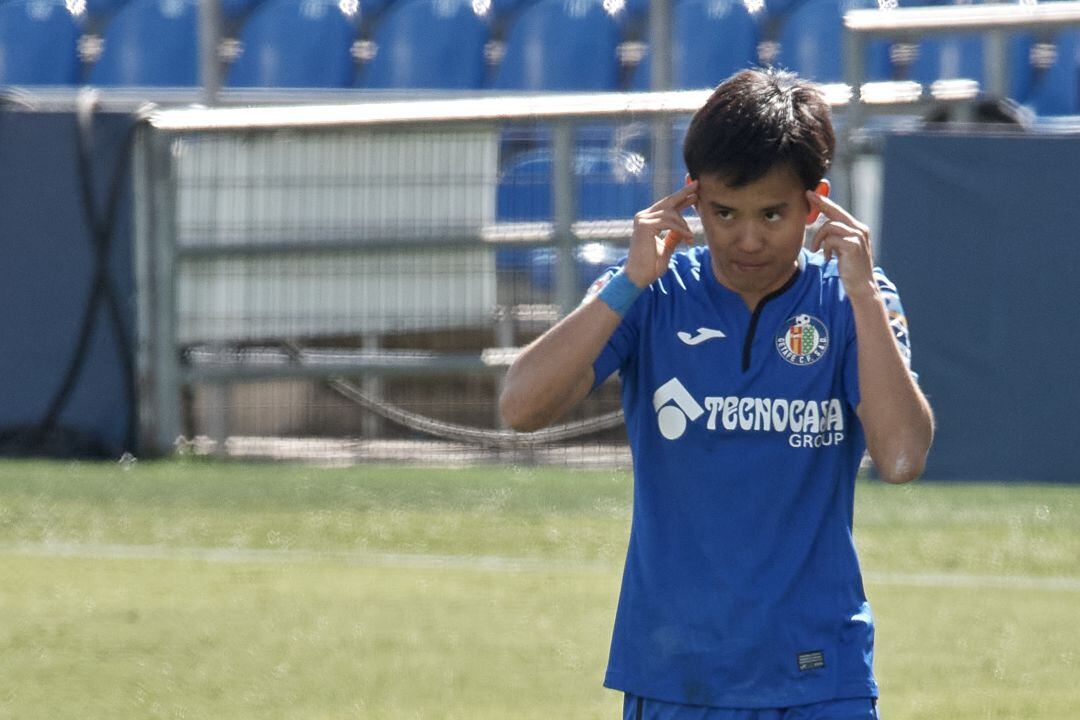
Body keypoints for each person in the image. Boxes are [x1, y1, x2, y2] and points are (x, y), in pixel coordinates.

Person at [499, 67, 934, 720]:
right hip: (677, 674)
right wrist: (628, 281)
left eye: (773, 214)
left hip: (820, 673)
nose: (748, 238)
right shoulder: (652, 292)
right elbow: (520, 408)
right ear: (692, 200)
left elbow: (901, 459)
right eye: (724, 213)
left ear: (815, 204)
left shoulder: (853, 300)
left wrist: (864, 294)